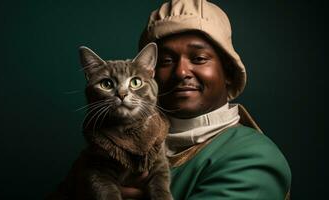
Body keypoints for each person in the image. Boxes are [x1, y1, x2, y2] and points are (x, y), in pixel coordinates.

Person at [121, 0, 291, 199]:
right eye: (166, 61)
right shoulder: (123, 145)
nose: (181, 72)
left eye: (199, 58)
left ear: (227, 71)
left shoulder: (253, 157)